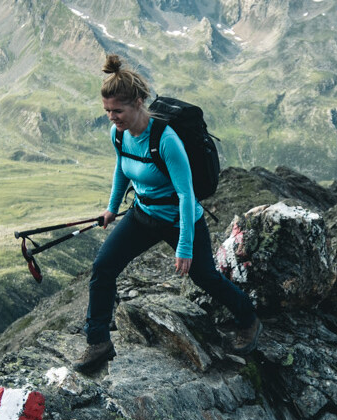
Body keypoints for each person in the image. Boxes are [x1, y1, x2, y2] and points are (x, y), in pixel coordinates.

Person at [75, 54, 258, 373]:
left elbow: (187, 195)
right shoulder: (119, 134)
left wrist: (185, 246)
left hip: (178, 218)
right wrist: (111, 208)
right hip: (142, 215)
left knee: (204, 276)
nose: (112, 117)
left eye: (117, 111)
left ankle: (248, 318)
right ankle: (98, 342)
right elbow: (122, 169)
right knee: (103, 268)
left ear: (138, 103)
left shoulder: (166, 140)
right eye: (107, 111)